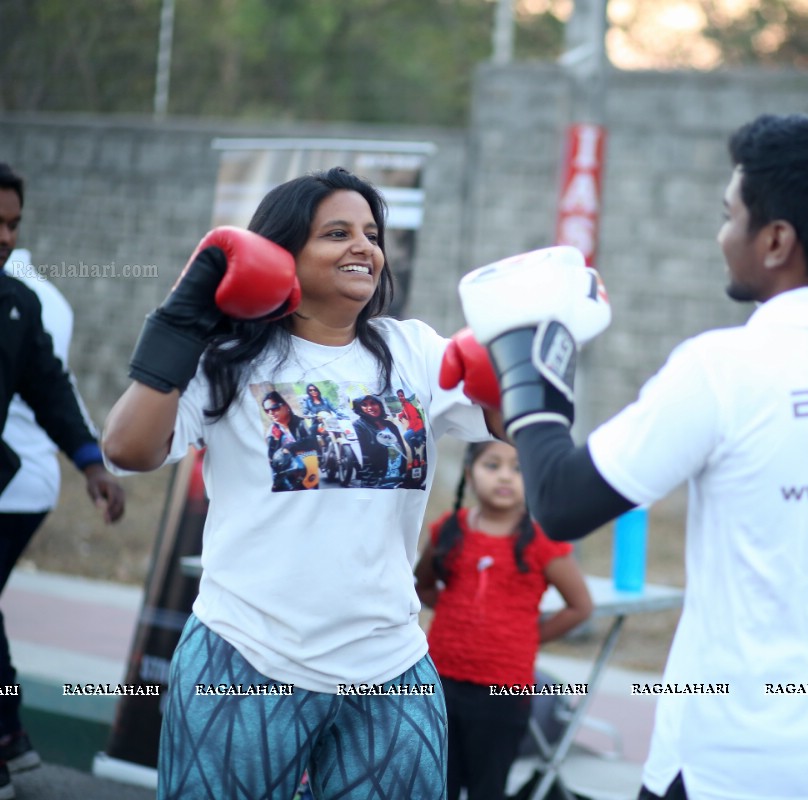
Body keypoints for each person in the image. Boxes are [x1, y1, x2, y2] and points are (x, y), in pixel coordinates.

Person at [447, 114, 808, 800]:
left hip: (735, 765)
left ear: (776, 240)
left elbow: (562, 503)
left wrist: (529, 378)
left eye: (731, 217)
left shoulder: (724, 368)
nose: (722, 237)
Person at [102, 167, 503, 800]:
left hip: (389, 668)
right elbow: (127, 448)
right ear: (282, 253)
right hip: (248, 655)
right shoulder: (229, 358)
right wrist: (178, 327)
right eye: (337, 232)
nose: (363, 248)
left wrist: (530, 347)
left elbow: (511, 422)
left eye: (371, 234)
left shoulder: (414, 351)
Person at [0, 163, 125, 798]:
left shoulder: (19, 305)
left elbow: (50, 388)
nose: (4, 236)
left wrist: (90, 463)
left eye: (13, 224)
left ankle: (8, 739)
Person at [413, 440, 592, 800]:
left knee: (488, 787)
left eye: (518, 467)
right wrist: (452, 609)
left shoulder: (541, 542)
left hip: (505, 690)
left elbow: (580, 606)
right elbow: (423, 584)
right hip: (442, 682)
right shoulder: (449, 530)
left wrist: (525, 636)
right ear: (469, 474)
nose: (505, 476)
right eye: (492, 465)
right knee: (438, 784)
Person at [350, 393, 408, 488]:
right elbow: (361, 457)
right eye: (364, 405)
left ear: (380, 405)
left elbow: (401, 448)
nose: (370, 408)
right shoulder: (358, 426)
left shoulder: (390, 425)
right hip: (376, 483)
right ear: (360, 408)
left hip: (399, 479)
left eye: (373, 403)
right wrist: (371, 482)